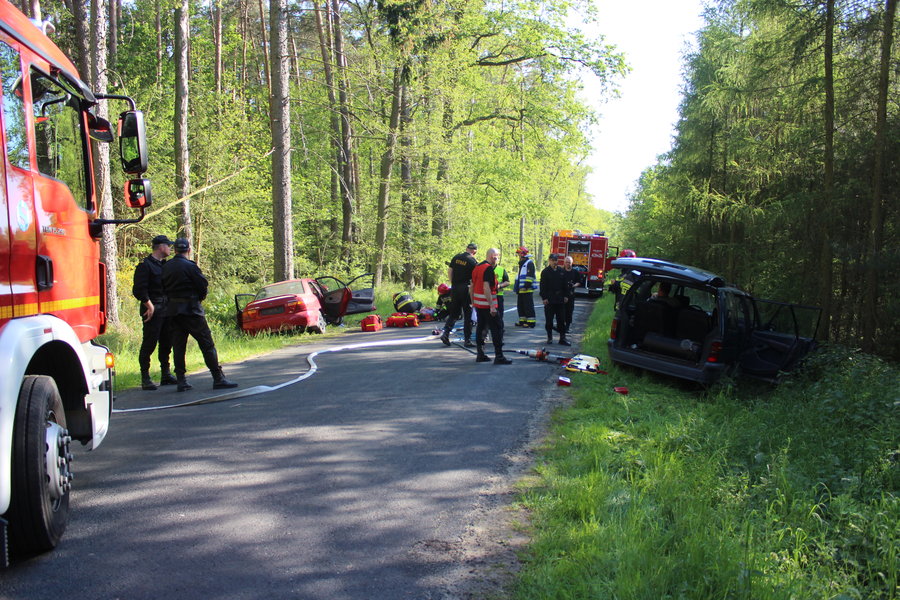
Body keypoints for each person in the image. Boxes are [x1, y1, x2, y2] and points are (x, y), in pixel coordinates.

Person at [162, 238, 238, 392]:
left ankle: (181, 380)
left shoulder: (166, 267)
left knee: (178, 346)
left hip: (173, 311)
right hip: (191, 310)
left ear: (175, 250)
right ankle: (218, 377)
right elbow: (202, 286)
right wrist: (198, 299)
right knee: (206, 344)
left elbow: (162, 287)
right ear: (188, 250)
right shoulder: (190, 266)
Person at [132, 234, 177, 390]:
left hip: (166, 309)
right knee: (149, 343)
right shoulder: (145, 266)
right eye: (168, 245)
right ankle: (145, 377)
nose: (170, 248)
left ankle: (166, 374)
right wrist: (149, 306)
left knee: (167, 343)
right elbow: (139, 290)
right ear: (161, 247)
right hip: (152, 310)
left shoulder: (165, 265)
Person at [470, 248, 512, 364]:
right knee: (497, 329)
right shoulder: (488, 268)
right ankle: (499, 356)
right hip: (488, 306)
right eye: (497, 256)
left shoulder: (477, 267)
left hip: (479, 305)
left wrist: (473, 302)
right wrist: (492, 306)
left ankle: (480, 354)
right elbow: (486, 287)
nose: (497, 258)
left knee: (481, 328)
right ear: (492, 255)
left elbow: (472, 287)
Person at [440, 243, 478, 347]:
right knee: (468, 314)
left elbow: (450, 271)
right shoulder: (473, 261)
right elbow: (475, 278)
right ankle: (467, 340)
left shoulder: (456, 257)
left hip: (455, 288)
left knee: (454, 313)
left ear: (466, 249)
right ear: (474, 251)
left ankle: (446, 333)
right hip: (466, 288)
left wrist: (453, 283)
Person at [539, 253, 571, 346]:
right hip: (549, 299)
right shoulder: (545, 272)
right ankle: (549, 337)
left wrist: (566, 296)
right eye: (552, 260)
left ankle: (562, 338)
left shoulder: (561, 271)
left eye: (556, 260)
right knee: (549, 320)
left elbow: (565, 285)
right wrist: (544, 298)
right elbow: (542, 286)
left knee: (561, 320)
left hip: (560, 299)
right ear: (549, 261)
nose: (554, 262)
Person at [512, 246, 537, 327]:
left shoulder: (529, 263)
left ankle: (531, 322)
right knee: (521, 306)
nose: (518, 256)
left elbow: (530, 276)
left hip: (527, 289)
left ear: (523, 254)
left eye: (519, 254)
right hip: (521, 289)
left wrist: (526, 286)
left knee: (528, 306)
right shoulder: (522, 263)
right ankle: (522, 321)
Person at [561, 255, 580, 333]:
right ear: (564, 262)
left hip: (571, 294)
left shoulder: (575, 272)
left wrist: (574, 285)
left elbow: (579, 282)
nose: (567, 264)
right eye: (566, 262)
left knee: (569, 311)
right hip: (561, 294)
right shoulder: (561, 271)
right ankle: (561, 325)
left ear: (572, 263)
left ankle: (567, 327)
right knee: (561, 311)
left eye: (569, 262)